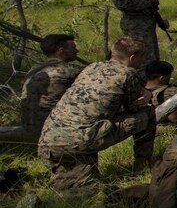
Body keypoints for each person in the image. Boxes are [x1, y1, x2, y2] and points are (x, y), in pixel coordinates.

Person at [38, 36, 156, 192]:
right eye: (142, 58)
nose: (142, 62)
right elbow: (134, 107)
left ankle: (69, 175)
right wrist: (147, 94)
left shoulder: (92, 67)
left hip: (48, 142)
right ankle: (143, 165)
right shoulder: (128, 74)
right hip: (81, 140)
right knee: (147, 113)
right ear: (132, 58)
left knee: (83, 188)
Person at [20, 34, 83, 135]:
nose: (77, 51)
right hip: (50, 126)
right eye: (73, 48)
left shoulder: (34, 69)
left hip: (27, 123)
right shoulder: (69, 71)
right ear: (61, 50)